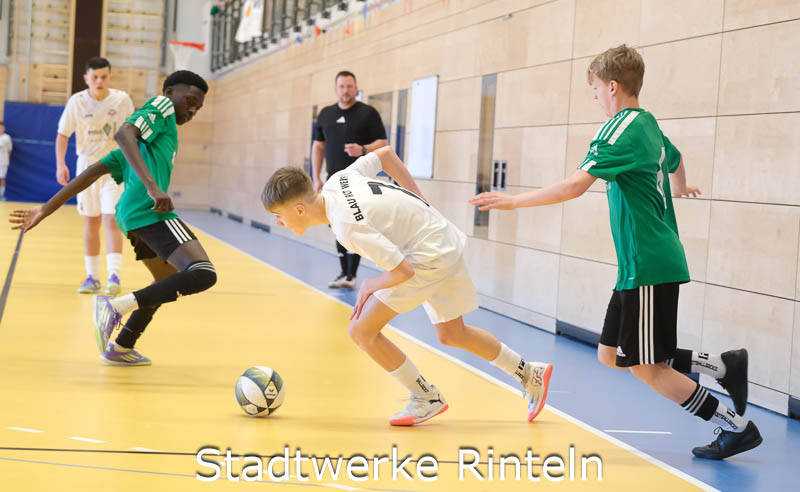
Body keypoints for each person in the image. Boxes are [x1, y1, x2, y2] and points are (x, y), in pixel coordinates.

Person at [470, 45, 761, 460]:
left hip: (648, 264)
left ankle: (735, 426)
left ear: (612, 86)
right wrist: (680, 186)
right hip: (637, 266)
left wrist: (513, 201)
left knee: (647, 368)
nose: (593, 97)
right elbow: (675, 160)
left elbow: (574, 186)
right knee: (611, 355)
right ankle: (721, 365)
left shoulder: (618, 129)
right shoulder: (648, 125)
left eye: (594, 89)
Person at [263, 146, 553, 426]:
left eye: (278, 215)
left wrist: (369, 284)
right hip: (440, 235)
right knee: (452, 333)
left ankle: (426, 397)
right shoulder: (338, 180)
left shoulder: (347, 227)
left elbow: (403, 271)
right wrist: (420, 199)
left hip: (428, 257)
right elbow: (386, 154)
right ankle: (529, 373)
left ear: (299, 209)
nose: (278, 222)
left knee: (361, 331)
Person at [11, 70, 216, 367]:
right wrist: (152, 186)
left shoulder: (142, 147)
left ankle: (122, 346)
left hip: (131, 218)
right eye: (190, 101)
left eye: (199, 107)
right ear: (170, 92)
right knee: (204, 272)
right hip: (150, 213)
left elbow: (92, 171)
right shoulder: (162, 106)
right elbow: (123, 133)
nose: (193, 110)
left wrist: (46, 208)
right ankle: (116, 306)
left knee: (164, 281)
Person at [56, 57, 135, 295]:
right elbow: (62, 135)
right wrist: (60, 164)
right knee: (91, 221)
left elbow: (133, 134)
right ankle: (92, 277)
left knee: (112, 219)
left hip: (114, 166)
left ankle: (114, 276)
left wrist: (135, 165)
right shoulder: (77, 101)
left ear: (110, 77)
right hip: (86, 166)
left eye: (104, 77)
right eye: (95, 77)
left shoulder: (122, 100)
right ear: (86, 79)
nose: (99, 81)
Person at [311, 71, 388, 290]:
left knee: (354, 225)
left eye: (350, 86)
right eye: (342, 86)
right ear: (335, 89)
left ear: (356, 88)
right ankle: (346, 273)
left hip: (358, 181)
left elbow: (383, 143)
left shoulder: (368, 113)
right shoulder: (326, 114)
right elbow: (318, 146)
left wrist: (363, 149)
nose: (346, 91)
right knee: (337, 224)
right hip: (332, 181)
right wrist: (316, 177)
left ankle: (350, 274)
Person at [0, 122, 12, 201]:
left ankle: (1, 195)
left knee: (2, 178)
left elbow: (9, 150)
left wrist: (6, 159)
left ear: (4, 128)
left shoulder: (7, 138)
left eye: (1, 128)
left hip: (3, 162)